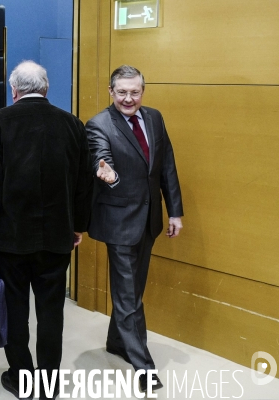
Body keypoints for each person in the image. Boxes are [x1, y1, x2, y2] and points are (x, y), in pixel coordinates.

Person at [0, 60, 93, 399]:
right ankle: (50, 384)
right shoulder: (72, 124)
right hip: (58, 237)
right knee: (51, 313)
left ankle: (22, 377)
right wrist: (78, 226)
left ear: (14, 91)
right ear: (46, 88)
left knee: (15, 311)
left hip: (11, 240)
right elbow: (84, 182)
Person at [85, 64, 184, 393]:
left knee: (133, 291)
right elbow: (100, 156)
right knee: (128, 297)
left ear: (143, 91)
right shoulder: (99, 124)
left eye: (135, 92)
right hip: (119, 222)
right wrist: (105, 171)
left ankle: (117, 341)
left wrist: (175, 212)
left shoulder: (154, 118)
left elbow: (166, 164)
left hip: (150, 220)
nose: (129, 98)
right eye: (122, 92)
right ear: (111, 92)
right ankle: (143, 366)